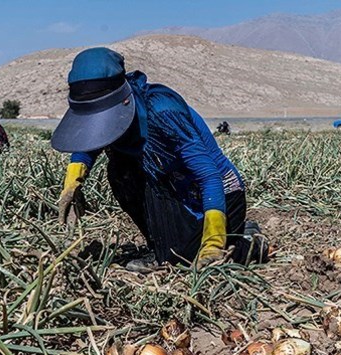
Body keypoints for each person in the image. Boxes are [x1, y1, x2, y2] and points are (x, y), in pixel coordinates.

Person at [50, 47, 268, 273]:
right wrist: (73, 181)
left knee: (189, 260)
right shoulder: (117, 116)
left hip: (218, 192)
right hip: (173, 188)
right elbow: (92, 137)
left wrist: (213, 243)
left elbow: (209, 176)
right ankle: (159, 248)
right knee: (121, 171)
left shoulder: (162, 112)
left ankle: (251, 243)